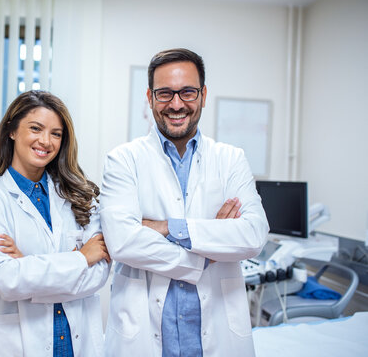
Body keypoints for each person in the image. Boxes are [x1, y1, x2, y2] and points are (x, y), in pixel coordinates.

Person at [100, 48, 269, 357]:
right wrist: (208, 248)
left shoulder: (231, 159)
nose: (176, 104)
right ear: (149, 98)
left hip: (217, 336)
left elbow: (254, 234)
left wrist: (164, 227)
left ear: (203, 95)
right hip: (143, 339)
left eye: (187, 92)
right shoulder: (123, 160)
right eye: (165, 93)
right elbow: (123, 242)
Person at [0, 90, 111, 357]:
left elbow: (98, 274)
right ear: (12, 131)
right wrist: (79, 259)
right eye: (36, 128)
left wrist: (26, 264)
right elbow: (6, 279)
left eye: (56, 133)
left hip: (78, 343)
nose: (46, 141)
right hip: (19, 344)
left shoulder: (80, 196)